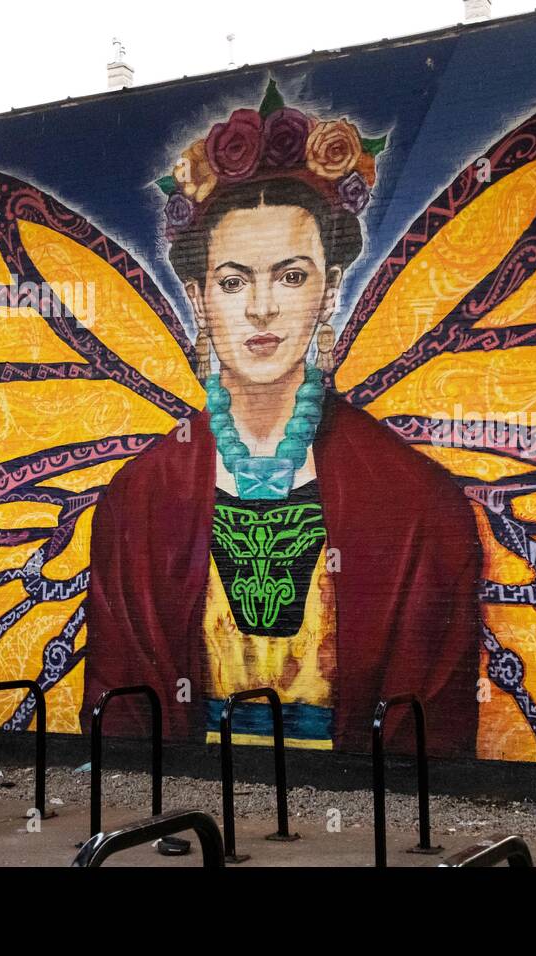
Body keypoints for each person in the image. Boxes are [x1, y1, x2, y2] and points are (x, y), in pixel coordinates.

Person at [79, 87, 483, 757]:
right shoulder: (139, 500)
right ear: (199, 296)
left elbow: (432, 730)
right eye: (234, 282)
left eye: (291, 277)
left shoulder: (419, 503)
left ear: (329, 290)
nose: (262, 308)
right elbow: (121, 714)